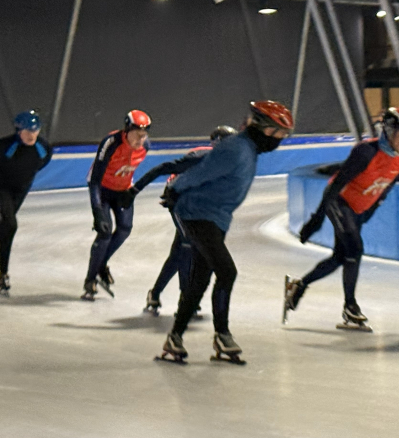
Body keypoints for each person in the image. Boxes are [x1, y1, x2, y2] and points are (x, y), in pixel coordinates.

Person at [158, 102, 293, 363]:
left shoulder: (248, 149)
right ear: (261, 127)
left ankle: (175, 337)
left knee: (200, 279)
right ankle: (222, 335)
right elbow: (201, 172)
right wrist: (174, 189)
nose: (279, 140)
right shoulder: (236, 148)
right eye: (277, 133)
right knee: (226, 271)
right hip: (197, 213)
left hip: (214, 218)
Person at [283, 107, 399, 330]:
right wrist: (317, 219)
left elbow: (386, 187)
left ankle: (299, 285)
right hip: (340, 202)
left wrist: (372, 209)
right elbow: (336, 184)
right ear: (388, 132)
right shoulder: (365, 152)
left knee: (340, 257)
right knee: (355, 250)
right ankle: (350, 306)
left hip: (358, 210)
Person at [135, 125, 238, 315]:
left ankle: (155, 293)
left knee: (179, 252)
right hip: (179, 200)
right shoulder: (201, 157)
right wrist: (136, 189)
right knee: (188, 247)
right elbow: (167, 170)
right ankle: (185, 297)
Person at [82, 110, 152, 301]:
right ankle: (90, 279)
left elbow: (128, 169)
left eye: (144, 135)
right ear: (126, 130)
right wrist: (97, 211)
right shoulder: (110, 143)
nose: (140, 140)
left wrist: (129, 191)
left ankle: (101, 264)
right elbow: (95, 180)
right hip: (103, 189)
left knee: (125, 229)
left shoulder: (145, 146)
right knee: (104, 232)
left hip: (122, 190)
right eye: (137, 135)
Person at [0, 111, 53, 297]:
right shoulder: (4, 147)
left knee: (5, 228)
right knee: (10, 224)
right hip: (2, 188)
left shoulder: (44, 148)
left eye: (35, 131)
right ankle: (3, 272)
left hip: (21, 190)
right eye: (27, 131)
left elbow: (40, 164)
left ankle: (1, 271)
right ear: (18, 131)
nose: (32, 135)